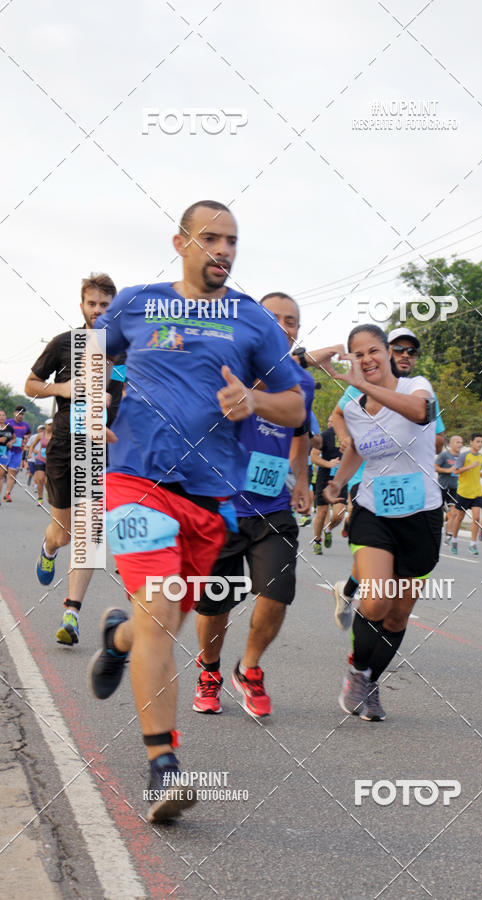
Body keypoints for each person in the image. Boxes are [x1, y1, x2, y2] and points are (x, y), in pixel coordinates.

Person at [86, 200, 304, 823]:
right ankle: (163, 767)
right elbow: (88, 357)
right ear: (180, 241)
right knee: (160, 612)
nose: (224, 250)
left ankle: (118, 637)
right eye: (211, 238)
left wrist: (254, 400)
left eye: (233, 240)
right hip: (136, 481)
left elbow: (295, 407)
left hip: (209, 499)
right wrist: (95, 413)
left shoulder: (253, 321)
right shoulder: (137, 302)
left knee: (161, 623)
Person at [193, 291, 313, 718]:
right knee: (215, 603)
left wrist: (302, 479)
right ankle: (209, 671)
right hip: (219, 508)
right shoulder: (223, 371)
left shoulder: (304, 385)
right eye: (274, 318)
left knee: (277, 593)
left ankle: (250, 667)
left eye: (292, 321)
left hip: (273, 509)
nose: (284, 326)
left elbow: (301, 433)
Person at [323, 324, 442, 722]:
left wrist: (367, 388)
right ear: (352, 359)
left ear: (387, 353)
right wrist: (338, 481)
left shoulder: (415, 387)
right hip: (375, 512)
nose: (366, 359)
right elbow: (358, 448)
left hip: (422, 515)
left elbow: (422, 413)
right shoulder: (354, 406)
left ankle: (372, 681)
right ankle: (357, 669)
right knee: (375, 600)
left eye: (373, 351)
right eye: (358, 355)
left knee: (397, 615)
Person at [25, 273, 118, 645]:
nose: (98, 311)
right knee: (63, 534)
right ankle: (48, 548)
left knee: (90, 534)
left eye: (105, 306)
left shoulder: (121, 351)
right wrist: (61, 387)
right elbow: (32, 384)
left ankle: (71, 613)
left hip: (100, 448)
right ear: (82, 305)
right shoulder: (64, 344)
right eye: (92, 304)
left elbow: (125, 389)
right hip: (63, 445)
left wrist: (112, 400)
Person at [329, 326, 445, 623]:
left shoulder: (419, 389)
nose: (405, 355)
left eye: (412, 351)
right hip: (366, 482)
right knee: (373, 550)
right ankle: (365, 606)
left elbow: (437, 435)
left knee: (390, 581)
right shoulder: (359, 384)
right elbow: (338, 416)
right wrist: (346, 439)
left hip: (412, 489)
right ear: (386, 352)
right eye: (398, 349)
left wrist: (415, 435)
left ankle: (353, 594)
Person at [311, 418, 346, 554]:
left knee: (339, 514)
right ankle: (317, 540)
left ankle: (328, 528)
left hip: (341, 478)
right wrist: (328, 464)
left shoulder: (352, 433)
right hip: (325, 478)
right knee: (322, 511)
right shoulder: (326, 435)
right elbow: (313, 457)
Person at [449, 433, 482, 556]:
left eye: (481, 442)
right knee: (459, 518)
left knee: (476, 518)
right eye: (477, 441)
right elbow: (455, 471)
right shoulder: (464, 456)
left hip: (477, 492)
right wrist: (469, 466)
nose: (480, 444)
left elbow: (477, 471)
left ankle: (473, 544)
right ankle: (454, 541)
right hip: (464, 492)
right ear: (471, 442)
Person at [435, 434, 463, 543]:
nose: (460, 444)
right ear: (451, 444)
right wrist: (448, 470)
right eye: (457, 442)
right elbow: (435, 467)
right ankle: (441, 527)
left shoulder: (462, 457)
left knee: (453, 512)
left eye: (461, 442)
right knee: (438, 511)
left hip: (454, 488)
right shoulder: (444, 455)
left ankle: (448, 534)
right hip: (442, 487)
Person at [4, 406, 31, 501]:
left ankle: (7, 494)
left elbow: (28, 434)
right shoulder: (7, 422)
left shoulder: (26, 425)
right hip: (5, 450)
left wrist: (26, 438)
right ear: (15, 413)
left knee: (12, 474)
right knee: (1, 472)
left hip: (18, 452)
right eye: (19, 413)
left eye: (22, 414)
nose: (20, 416)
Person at [27, 420, 52, 505]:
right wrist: (30, 453)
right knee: (40, 479)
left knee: (47, 481)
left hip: (51, 460)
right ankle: (40, 498)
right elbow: (32, 446)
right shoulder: (41, 435)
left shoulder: (56, 435)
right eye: (49, 425)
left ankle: (48, 494)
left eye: (52, 425)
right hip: (40, 459)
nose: (51, 426)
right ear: (46, 425)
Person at [0, 410, 15, 502]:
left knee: (0, 475)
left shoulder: (9, 428)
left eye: (3, 415)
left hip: (4, 453)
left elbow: (14, 438)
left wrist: (11, 442)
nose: (1, 417)